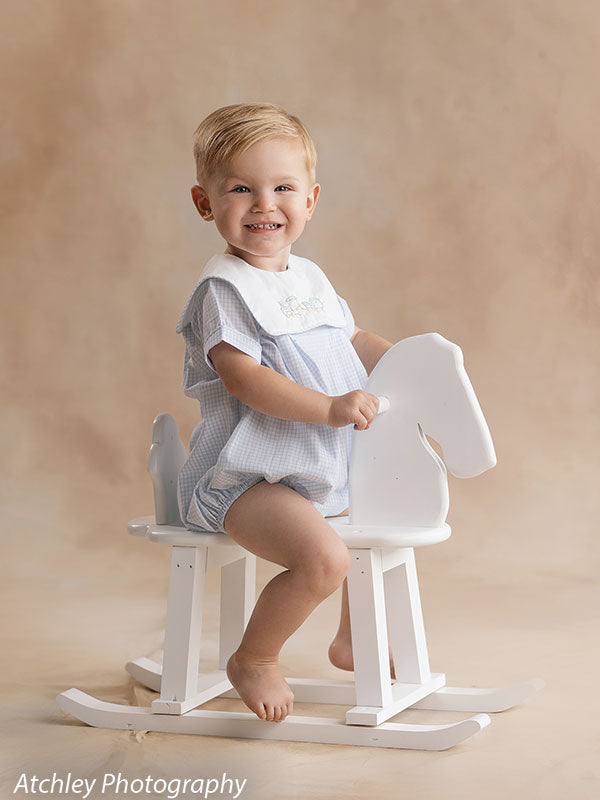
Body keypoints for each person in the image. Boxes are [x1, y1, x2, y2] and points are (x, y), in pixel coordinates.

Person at [176, 103, 393, 723]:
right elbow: (244, 379)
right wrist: (328, 407)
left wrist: (407, 364)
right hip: (245, 476)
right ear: (205, 203)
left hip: (312, 467)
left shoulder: (309, 277)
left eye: (282, 188)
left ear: (312, 199)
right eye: (241, 189)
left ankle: (352, 639)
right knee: (324, 559)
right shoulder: (224, 289)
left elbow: (351, 340)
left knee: (376, 517)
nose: (264, 204)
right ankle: (256, 657)